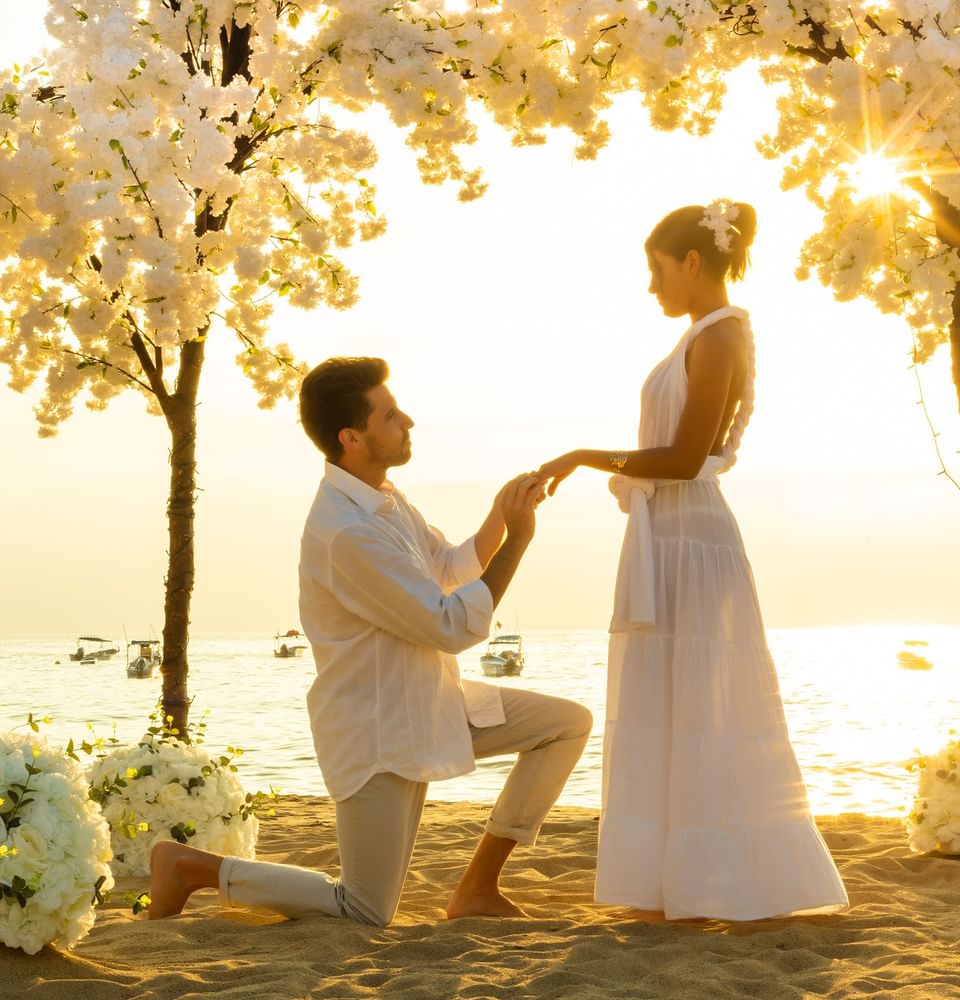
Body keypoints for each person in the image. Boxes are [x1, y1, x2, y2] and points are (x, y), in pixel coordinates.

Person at [148, 356, 592, 926]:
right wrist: (520, 543)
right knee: (363, 908)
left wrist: (503, 516)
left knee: (566, 724)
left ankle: (479, 886)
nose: (407, 421)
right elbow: (451, 626)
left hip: (433, 702)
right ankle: (191, 867)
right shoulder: (348, 531)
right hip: (378, 728)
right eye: (390, 415)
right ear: (352, 437)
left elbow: (448, 566)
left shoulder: (382, 495)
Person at [536, 201, 849, 921]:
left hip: (693, 540)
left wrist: (584, 455)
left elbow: (685, 457)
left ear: (693, 263)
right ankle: (665, 882)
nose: (653, 286)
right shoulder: (697, 336)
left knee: (707, 704)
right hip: (663, 537)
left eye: (657, 270)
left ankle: (722, 880)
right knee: (667, 704)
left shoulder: (720, 335)